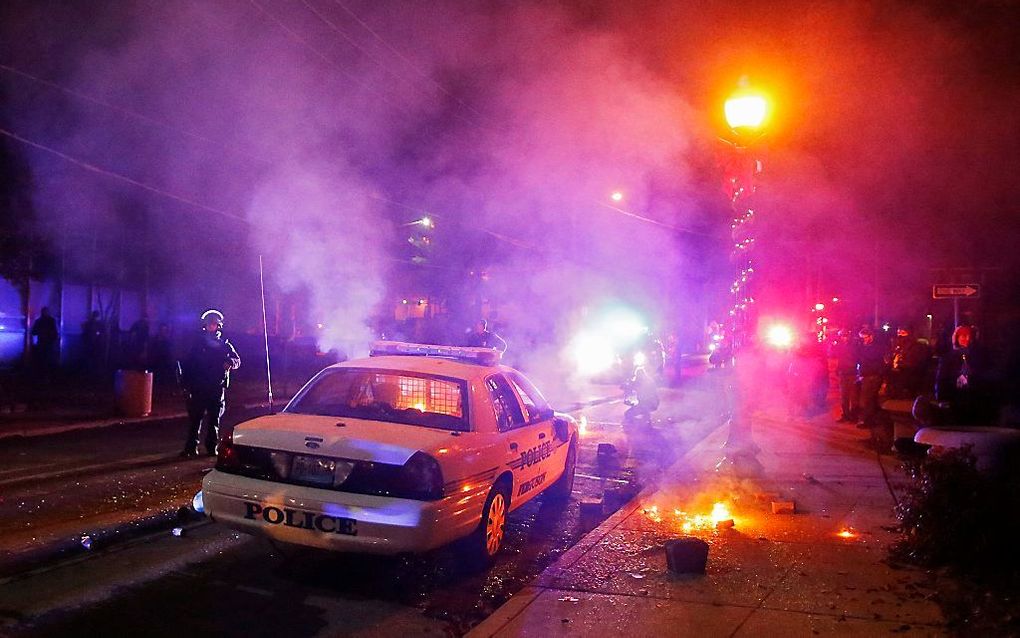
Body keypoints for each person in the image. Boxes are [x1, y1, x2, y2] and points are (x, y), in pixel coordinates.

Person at [179, 310, 240, 457]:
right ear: (205, 325)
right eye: (209, 323)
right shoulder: (197, 343)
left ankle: (212, 448)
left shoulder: (224, 344)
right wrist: (185, 383)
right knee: (195, 418)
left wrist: (230, 362)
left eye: (214, 323)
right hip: (199, 386)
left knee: (214, 419)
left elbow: (237, 360)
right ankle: (191, 448)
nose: (211, 326)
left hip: (216, 386)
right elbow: (187, 364)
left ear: (218, 325)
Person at [855, 326, 888, 428]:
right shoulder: (865, 346)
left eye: (865, 337)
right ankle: (871, 420)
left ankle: (867, 420)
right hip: (867, 375)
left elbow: (872, 360)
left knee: (868, 399)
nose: (863, 340)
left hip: (873, 376)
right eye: (862, 338)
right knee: (869, 399)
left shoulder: (875, 348)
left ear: (871, 336)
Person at [830, 329, 859, 422]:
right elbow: (833, 354)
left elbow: (857, 358)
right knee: (844, 396)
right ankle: (846, 415)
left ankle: (853, 416)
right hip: (843, 373)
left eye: (845, 336)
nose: (844, 338)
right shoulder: (840, 346)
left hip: (852, 373)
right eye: (842, 336)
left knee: (853, 396)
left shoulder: (854, 346)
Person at [30, 307, 59, 378]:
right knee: (48, 359)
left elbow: (34, 332)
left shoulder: (39, 321)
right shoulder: (51, 321)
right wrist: (54, 340)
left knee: (42, 359)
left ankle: (42, 375)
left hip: (42, 342)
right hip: (48, 343)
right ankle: (48, 375)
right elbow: (55, 332)